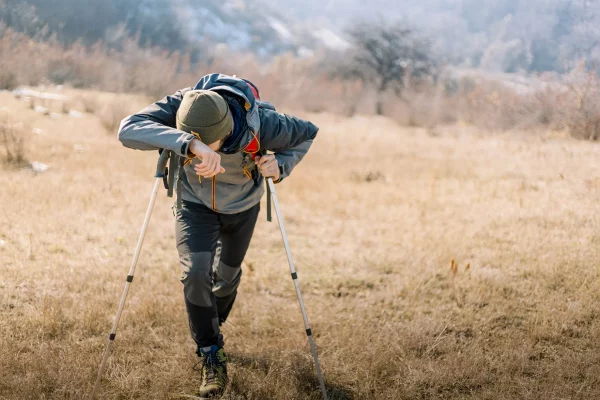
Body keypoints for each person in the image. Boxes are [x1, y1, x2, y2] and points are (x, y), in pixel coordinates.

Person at [117, 73, 318, 398]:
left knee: (226, 278)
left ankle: (211, 324)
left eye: (204, 143)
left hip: (243, 207)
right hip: (194, 204)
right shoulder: (185, 106)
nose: (198, 153)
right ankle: (210, 351)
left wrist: (281, 164)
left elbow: (308, 134)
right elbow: (128, 129)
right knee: (196, 274)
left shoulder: (265, 124)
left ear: (225, 135)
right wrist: (190, 143)